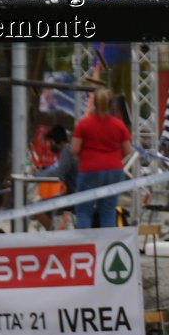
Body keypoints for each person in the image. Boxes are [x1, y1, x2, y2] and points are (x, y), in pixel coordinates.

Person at [70, 87, 131, 229]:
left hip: (89, 170)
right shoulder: (119, 125)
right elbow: (127, 150)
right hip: (114, 171)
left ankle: (84, 245)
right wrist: (114, 157)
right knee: (108, 211)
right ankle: (106, 248)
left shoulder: (84, 124)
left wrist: (85, 156)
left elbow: (74, 149)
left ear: (94, 104)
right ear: (111, 104)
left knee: (84, 210)